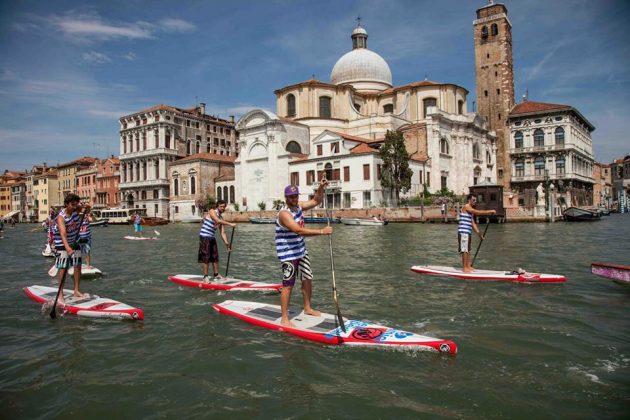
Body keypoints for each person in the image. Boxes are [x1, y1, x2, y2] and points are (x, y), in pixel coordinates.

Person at [275, 180, 332, 328]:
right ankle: (284, 318)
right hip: (288, 254)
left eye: (296, 196)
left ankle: (307, 308)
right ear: (286, 197)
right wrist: (321, 231)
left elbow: (316, 200)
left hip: (301, 250)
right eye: (291, 197)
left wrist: (320, 187)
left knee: (307, 278)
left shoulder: (298, 207)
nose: (294, 199)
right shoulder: (284, 214)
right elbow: (298, 230)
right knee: (288, 285)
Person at [51, 194, 87, 302]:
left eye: (76, 204)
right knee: (63, 267)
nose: (74, 206)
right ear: (67, 204)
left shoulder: (76, 209)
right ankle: (60, 293)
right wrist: (67, 248)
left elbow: (87, 209)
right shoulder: (61, 217)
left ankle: (76, 290)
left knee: (77, 265)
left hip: (75, 240)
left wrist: (87, 207)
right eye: (72, 204)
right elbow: (63, 233)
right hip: (62, 243)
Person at [198, 200, 236, 283]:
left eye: (224, 207)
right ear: (217, 206)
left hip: (211, 237)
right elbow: (217, 221)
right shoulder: (212, 211)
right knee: (206, 256)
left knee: (215, 257)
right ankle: (205, 277)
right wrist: (230, 224)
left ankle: (216, 275)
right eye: (221, 206)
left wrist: (227, 244)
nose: (222, 208)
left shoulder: (221, 218)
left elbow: (223, 232)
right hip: (204, 236)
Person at [458, 193, 496, 273]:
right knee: (465, 250)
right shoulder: (466, 206)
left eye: (475, 200)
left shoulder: (470, 211)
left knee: (468, 250)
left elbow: (473, 224)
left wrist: (480, 235)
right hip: (463, 232)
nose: (475, 201)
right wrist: (489, 211)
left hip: (467, 233)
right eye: (473, 200)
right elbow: (477, 212)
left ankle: (468, 266)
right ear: (469, 200)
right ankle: (465, 268)